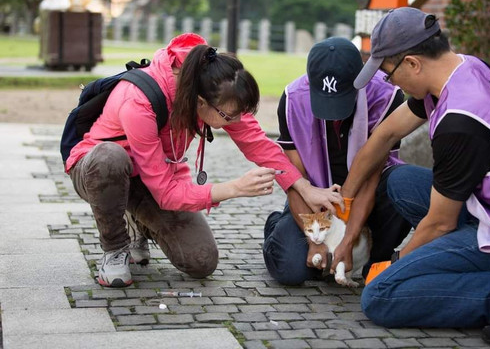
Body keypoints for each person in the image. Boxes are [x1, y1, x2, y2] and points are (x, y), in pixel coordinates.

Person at [342, 7, 490, 345]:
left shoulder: (459, 121)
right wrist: (344, 202)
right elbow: (384, 136)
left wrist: (396, 262)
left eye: (388, 74)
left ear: (413, 63)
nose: (390, 83)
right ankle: (464, 261)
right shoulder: (463, 68)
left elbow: (439, 224)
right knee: (400, 183)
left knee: (381, 296)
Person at [65, 33, 342, 288]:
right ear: (199, 103)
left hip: (152, 176)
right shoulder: (139, 102)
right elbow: (164, 193)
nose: (236, 123)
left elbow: (259, 144)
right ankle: (115, 249)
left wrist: (305, 187)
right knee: (111, 159)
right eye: (229, 117)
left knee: (201, 261)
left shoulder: (217, 87)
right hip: (99, 171)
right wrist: (234, 188)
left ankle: (137, 220)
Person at [262, 37, 411, 285]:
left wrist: (348, 240)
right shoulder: (292, 100)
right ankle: (275, 225)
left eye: (341, 100)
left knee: (400, 183)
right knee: (291, 270)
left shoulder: (388, 98)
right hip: (314, 202)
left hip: (368, 195)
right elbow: (294, 180)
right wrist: (313, 241)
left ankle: (376, 254)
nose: (333, 117)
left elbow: (372, 179)